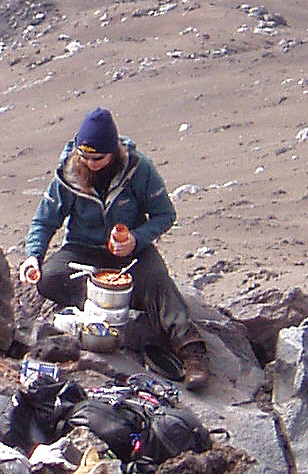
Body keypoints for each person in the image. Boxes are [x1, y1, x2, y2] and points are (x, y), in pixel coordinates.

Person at [20, 106, 211, 390]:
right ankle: (116, 304)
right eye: (84, 156)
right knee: (49, 278)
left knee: (158, 283)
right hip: (82, 250)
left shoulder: (139, 170)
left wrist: (136, 238)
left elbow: (164, 215)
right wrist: (33, 257)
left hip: (132, 251)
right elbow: (44, 221)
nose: (91, 162)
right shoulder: (68, 173)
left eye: (98, 157)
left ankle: (191, 352)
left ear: (113, 151)